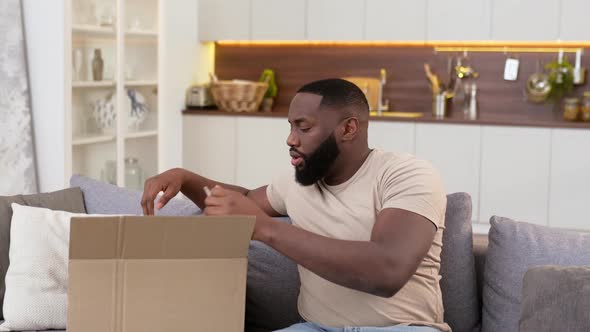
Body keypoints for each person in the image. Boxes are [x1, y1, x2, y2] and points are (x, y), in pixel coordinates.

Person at [141, 79, 449, 332]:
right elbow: (240, 203)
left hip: (403, 328)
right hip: (316, 328)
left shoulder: (406, 174)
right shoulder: (296, 182)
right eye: (290, 127)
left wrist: (265, 228)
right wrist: (184, 177)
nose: (290, 139)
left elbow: (388, 270)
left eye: (304, 127)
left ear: (348, 129)